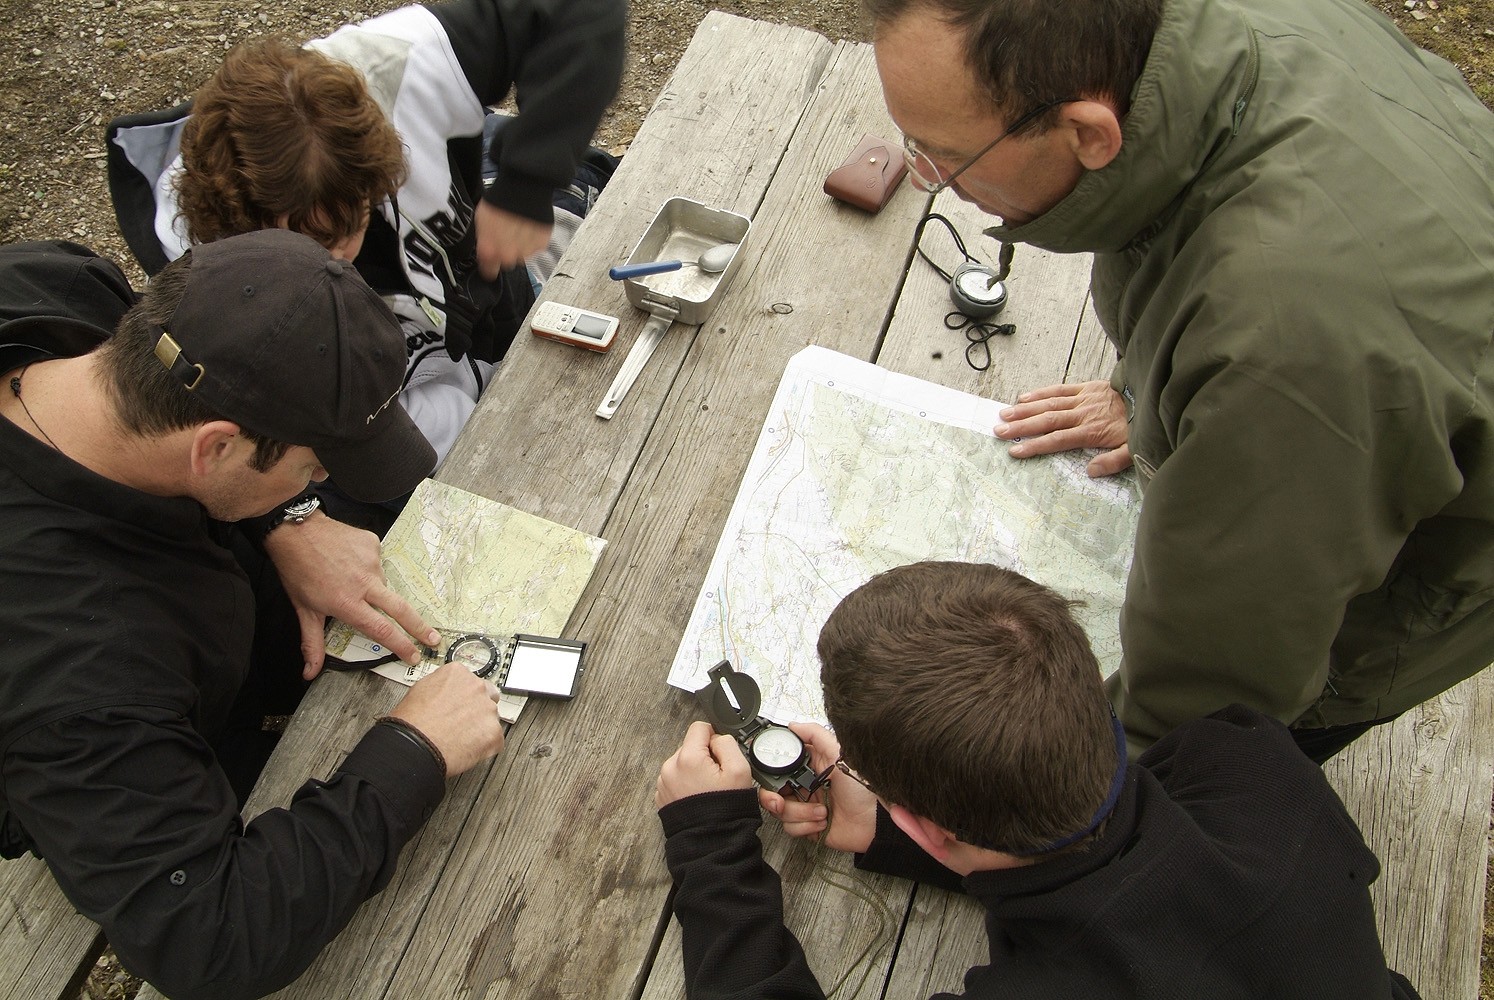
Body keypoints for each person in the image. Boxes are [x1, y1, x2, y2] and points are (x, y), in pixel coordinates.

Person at [866, 0, 1494, 761]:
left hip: (1418, 571)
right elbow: (1177, 208)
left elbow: (1205, 706)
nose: (929, 181)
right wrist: (1151, 390)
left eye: (942, 157)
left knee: (1221, 788)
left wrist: (1042, 811)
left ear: (1090, 134)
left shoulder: (1283, 351)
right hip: (1390, 355)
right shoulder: (1194, 38)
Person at [0, 230, 507, 1000]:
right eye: (313, 466)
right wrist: (413, 751)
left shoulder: (58, 287)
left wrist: (288, 516)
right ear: (214, 451)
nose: (323, 480)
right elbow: (211, 939)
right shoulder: (89, 674)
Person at [655, 561, 1420, 999]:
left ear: (935, 829)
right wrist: (888, 827)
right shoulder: (1250, 762)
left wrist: (709, 842)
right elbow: (1103, 851)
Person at [106, 0, 626, 481]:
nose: (337, 264)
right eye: (306, 248)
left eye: (349, 226)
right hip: (386, 408)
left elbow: (579, 10)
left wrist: (526, 187)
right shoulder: (198, 277)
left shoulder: (395, 66)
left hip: (480, 286)